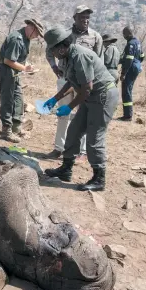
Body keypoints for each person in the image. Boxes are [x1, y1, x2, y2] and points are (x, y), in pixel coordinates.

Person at [42, 26, 119, 191]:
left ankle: (99, 178)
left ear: (61, 47)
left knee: (94, 136)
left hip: (102, 95)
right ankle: (66, 169)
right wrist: (55, 99)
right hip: (90, 95)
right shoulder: (68, 56)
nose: (52, 54)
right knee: (74, 130)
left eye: (52, 50)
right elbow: (72, 81)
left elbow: (87, 88)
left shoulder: (80, 56)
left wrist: (69, 107)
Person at [44, 5, 104, 161]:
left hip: (84, 83)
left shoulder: (95, 37)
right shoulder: (63, 35)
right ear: (74, 18)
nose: (85, 20)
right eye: (82, 17)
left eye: (87, 17)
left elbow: (97, 60)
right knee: (62, 114)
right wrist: (54, 67)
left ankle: (81, 151)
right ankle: (59, 148)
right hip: (66, 79)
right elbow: (49, 52)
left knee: (82, 115)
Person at [0, 18, 44, 143]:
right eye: (37, 33)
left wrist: (27, 66)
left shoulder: (25, 39)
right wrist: (25, 69)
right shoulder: (17, 39)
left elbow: (19, 59)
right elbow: (8, 60)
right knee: (7, 100)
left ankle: (16, 127)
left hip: (14, 73)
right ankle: (6, 130)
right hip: (6, 72)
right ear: (31, 28)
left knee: (18, 99)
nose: (36, 37)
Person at [118, 26, 144, 121]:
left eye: (124, 34)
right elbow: (142, 56)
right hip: (136, 67)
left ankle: (127, 116)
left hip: (130, 68)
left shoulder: (130, 44)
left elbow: (129, 60)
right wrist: (137, 63)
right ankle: (128, 114)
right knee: (128, 90)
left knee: (126, 91)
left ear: (127, 34)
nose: (124, 36)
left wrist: (123, 73)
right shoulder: (138, 42)